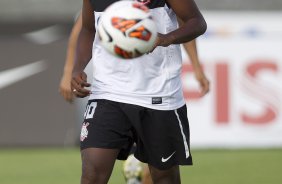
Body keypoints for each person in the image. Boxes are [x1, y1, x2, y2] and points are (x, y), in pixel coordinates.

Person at [71, 0, 207, 183]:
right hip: (107, 92)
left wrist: (167, 38)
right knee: (92, 175)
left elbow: (197, 21)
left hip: (160, 96)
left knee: (164, 178)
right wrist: (77, 68)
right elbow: (88, 29)